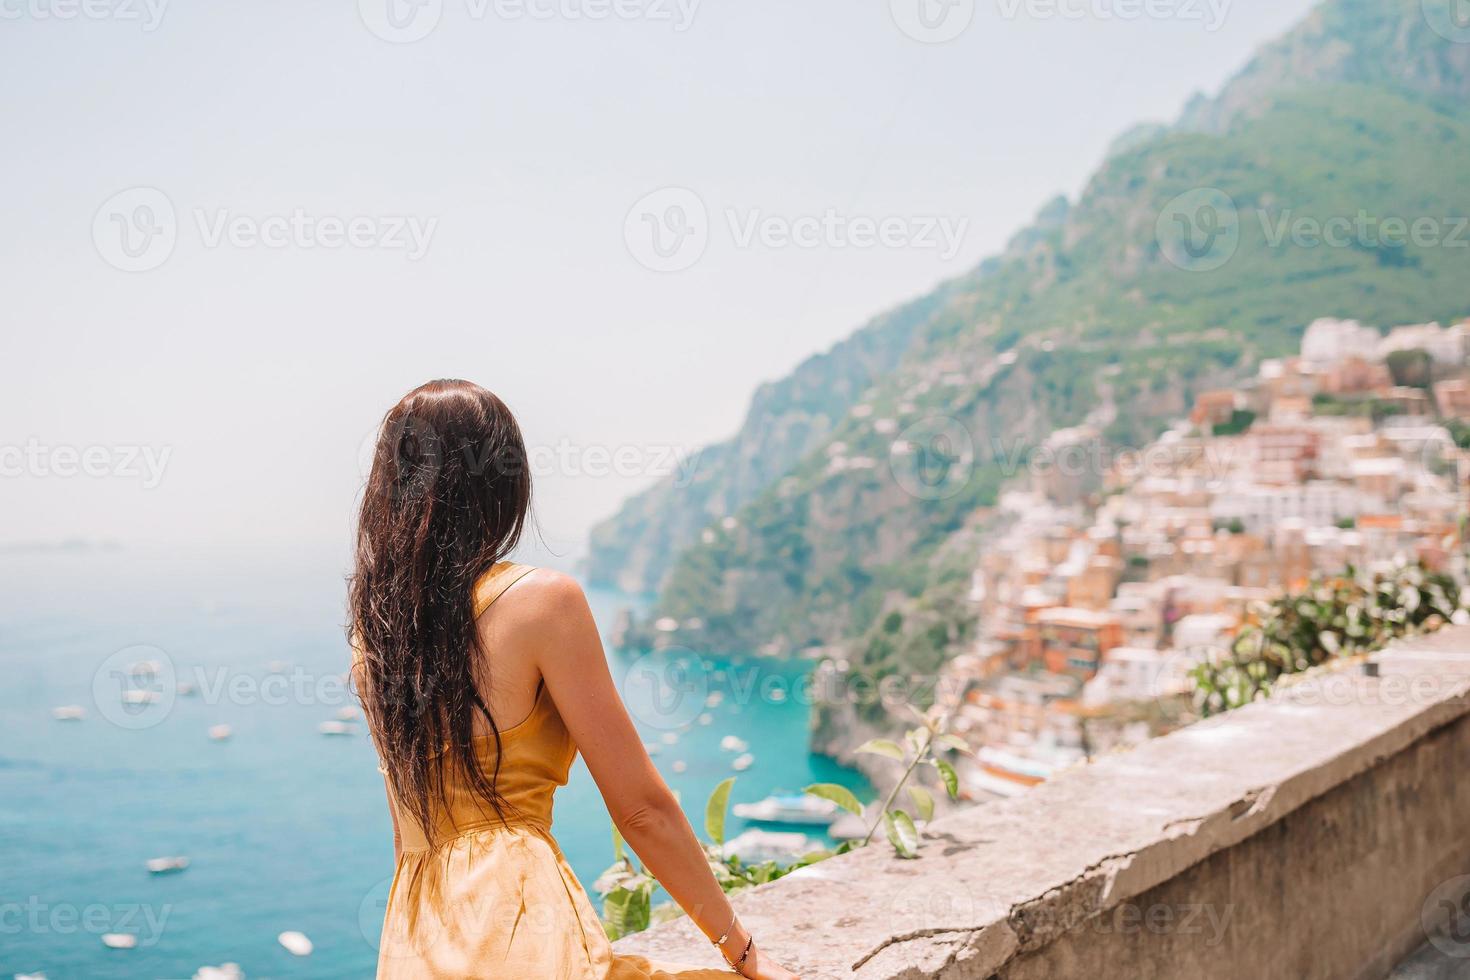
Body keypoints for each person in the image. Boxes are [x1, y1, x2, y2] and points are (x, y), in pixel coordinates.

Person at [348, 379, 800, 980]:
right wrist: (742, 952)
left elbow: (407, 833)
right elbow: (641, 811)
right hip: (519, 922)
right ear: (505, 482)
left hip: (416, 939)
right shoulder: (541, 602)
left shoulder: (375, 637)